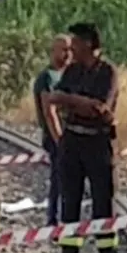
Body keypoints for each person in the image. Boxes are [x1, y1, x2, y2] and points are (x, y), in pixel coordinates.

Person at [47, 22, 127, 253]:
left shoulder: (107, 72)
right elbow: (54, 97)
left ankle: (107, 251)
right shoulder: (72, 71)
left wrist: (72, 101)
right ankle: (69, 252)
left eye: (77, 43)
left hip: (98, 141)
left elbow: (101, 108)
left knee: (104, 196)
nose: (72, 48)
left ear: (90, 44)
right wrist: (80, 102)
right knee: (70, 196)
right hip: (72, 141)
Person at [34, 34, 72, 226]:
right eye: (64, 49)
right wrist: (59, 139)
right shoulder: (47, 78)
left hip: (71, 134)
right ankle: (53, 219)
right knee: (59, 178)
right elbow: (50, 112)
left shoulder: (69, 74)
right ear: (54, 51)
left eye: (70, 50)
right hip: (57, 137)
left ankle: (66, 216)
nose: (68, 54)